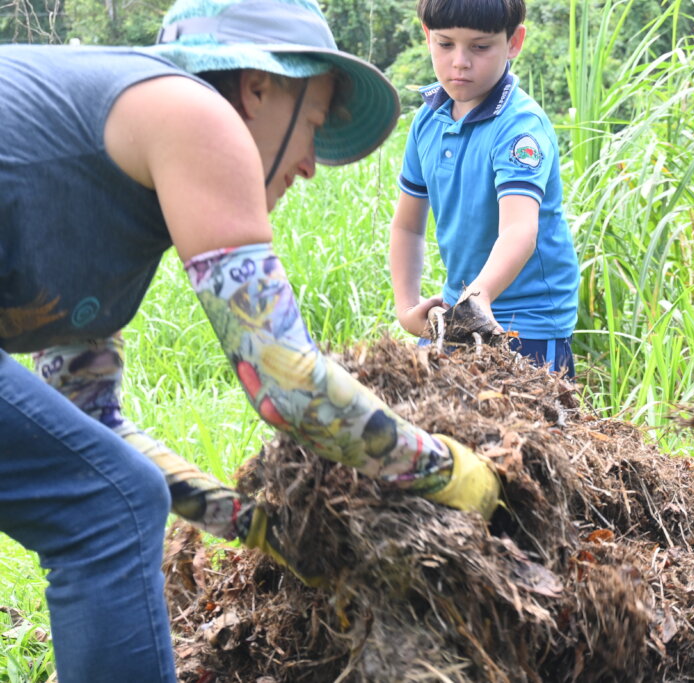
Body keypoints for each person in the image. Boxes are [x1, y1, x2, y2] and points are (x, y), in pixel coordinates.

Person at [0, 0, 500, 680]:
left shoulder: (106, 203)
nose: (309, 167)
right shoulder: (195, 111)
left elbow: (96, 428)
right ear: (258, 87)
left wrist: (257, 525)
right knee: (110, 512)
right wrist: (451, 471)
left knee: (113, 492)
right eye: (314, 125)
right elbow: (288, 387)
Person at [388, 0, 581, 378]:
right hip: (458, 311)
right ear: (427, 37)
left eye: (480, 47)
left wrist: (479, 296)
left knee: (525, 434)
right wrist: (406, 307)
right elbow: (407, 226)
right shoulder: (427, 121)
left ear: (513, 43)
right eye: (446, 45)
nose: (460, 61)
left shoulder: (519, 127)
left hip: (528, 323)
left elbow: (519, 230)